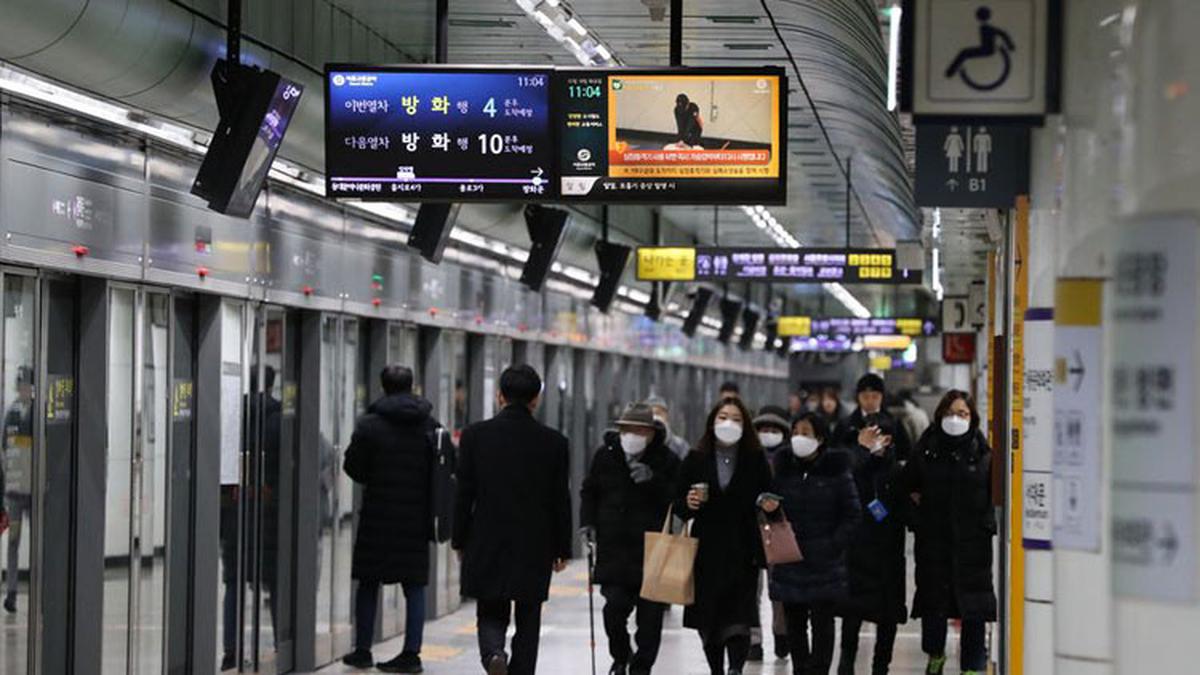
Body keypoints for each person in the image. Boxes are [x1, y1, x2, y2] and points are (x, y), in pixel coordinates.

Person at [453, 365, 573, 675]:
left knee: (490, 608)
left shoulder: (474, 436)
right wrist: (563, 547)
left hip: (486, 535)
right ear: (536, 400)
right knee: (529, 615)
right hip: (535, 542)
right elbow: (560, 498)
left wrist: (459, 538)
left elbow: (464, 493)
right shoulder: (554, 442)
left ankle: (494, 654)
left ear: (499, 396)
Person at [341, 365, 440, 673]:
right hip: (415, 517)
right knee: (414, 586)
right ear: (412, 386)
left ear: (382, 387)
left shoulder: (369, 425)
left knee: (368, 582)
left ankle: (362, 650)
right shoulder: (430, 425)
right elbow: (444, 468)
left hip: (378, 516)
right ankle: (411, 654)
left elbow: (353, 468)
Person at [580, 403, 681, 675]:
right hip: (614, 549)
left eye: (638, 430)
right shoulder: (606, 455)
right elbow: (589, 490)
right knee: (613, 610)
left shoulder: (667, 460)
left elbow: (679, 498)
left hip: (653, 550)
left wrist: (653, 481)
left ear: (650, 432)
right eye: (626, 429)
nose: (631, 435)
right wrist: (587, 522)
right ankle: (621, 655)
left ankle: (641, 668)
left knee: (650, 621)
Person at [676, 397, 772, 675]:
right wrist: (689, 503)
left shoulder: (755, 460)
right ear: (712, 422)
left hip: (744, 547)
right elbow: (678, 499)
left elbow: (770, 493)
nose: (728, 423)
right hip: (707, 547)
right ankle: (716, 668)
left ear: (746, 425)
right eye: (722, 417)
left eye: (736, 418)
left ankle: (736, 668)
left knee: (740, 616)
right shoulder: (696, 458)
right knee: (710, 618)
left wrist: (768, 504)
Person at [760, 412, 861, 674]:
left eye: (805, 433)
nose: (798, 438)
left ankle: (819, 669)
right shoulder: (782, 469)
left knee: (822, 623)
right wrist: (769, 509)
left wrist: (833, 545)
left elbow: (852, 514)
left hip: (824, 561)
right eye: (795, 432)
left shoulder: (837, 472)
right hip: (790, 557)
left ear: (820, 438)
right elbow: (773, 508)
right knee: (794, 623)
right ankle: (801, 668)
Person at [904, 391, 996, 675]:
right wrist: (918, 518)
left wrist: (986, 523)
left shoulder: (983, 453)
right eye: (951, 413)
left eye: (963, 414)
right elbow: (906, 489)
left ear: (973, 418)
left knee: (974, 609)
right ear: (940, 415)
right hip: (935, 543)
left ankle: (972, 666)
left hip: (972, 546)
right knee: (935, 606)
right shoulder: (926, 450)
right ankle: (935, 655)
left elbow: (994, 495)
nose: (956, 419)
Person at [832, 374, 911, 675]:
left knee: (887, 613)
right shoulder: (847, 428)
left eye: (874, 394)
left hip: (888, 549)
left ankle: (882, 665)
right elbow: (839, 469)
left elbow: (909, 489)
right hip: (856, 545)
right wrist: (861, 451)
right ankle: (846, 663)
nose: (869, 399)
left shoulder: (896, 457)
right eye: (864, 394)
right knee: (852, 611)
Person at [750, 405, 794, 660]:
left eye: (774, 430)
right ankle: (753, 639)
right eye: (763, 429)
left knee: (779, 587)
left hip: (779, 527)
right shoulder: (748, 459)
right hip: (751, 529)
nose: (768, 434)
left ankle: (782, 633)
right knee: (750, 589)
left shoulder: (789, 461)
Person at [1, 367, 33, 614]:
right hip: (14, 493)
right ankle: (11, 591)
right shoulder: (10, 415)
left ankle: (39, 587)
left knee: (37, 542)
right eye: (21, 385)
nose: (24, 389)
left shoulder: (37, 413)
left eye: (27, 385)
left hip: (33, 492)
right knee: (13, 542)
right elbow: (4, 453)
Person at [645, 394, 690, 460]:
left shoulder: (680, 446)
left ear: (666, 415)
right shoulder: (639, 445)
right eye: (650, 414)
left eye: (658, 413)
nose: (655, 417)